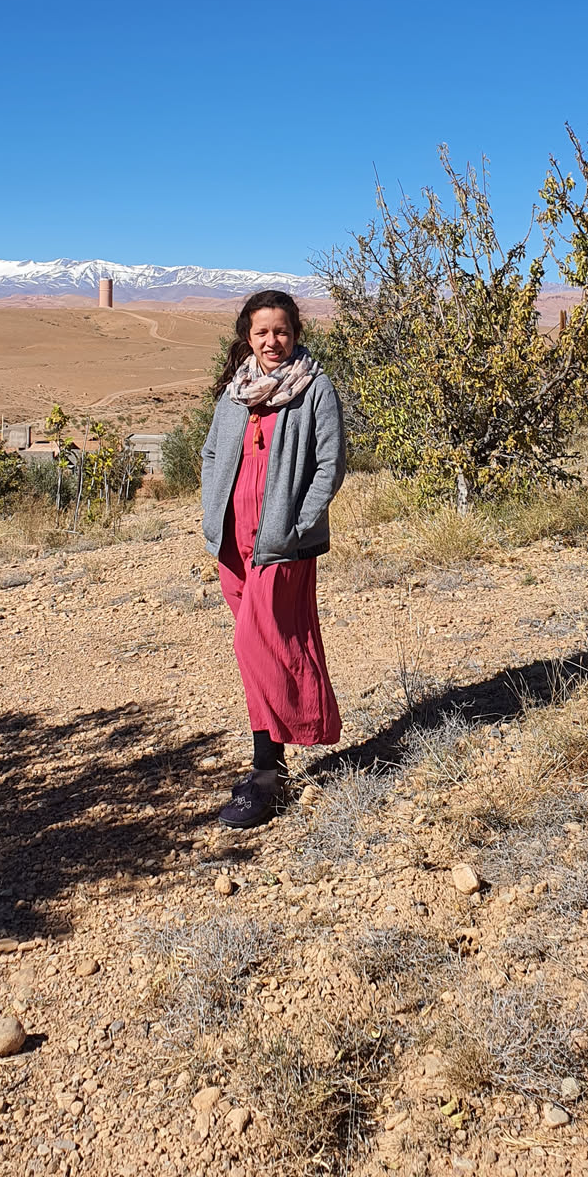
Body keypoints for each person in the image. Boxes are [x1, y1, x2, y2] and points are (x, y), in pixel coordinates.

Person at [200, 290, 346, 827]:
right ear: (248, 336)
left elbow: (330, 464)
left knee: (253, 643)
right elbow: (211, 452)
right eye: (262, 332)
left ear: (295, 333)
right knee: (261, 651)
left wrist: (297, 526)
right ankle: (273, 764)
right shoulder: (236, 392)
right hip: (233, 541)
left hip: (280, 544)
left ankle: (265, 773)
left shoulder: (314, 388)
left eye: (281, 330)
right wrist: (211, 509)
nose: (272, 341)